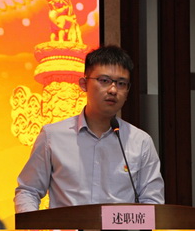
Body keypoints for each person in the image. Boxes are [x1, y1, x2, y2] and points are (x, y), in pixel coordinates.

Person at [14, 45, 164, 213]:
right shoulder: (52, 136)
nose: (113, 90)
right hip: (66, 229)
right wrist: (35, 224)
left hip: (119, 230)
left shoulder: (140, 142)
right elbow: (28, 190)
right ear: (84, 84)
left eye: (121, 83)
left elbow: (152, 202)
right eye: (104, 81)